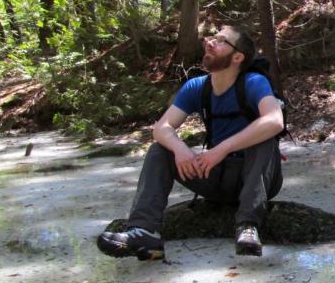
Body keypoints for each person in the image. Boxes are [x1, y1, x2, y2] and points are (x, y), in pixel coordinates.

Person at [97, 24, 284, 260]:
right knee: (160, 150)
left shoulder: (253, 82)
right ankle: (145, 232)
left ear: (238, 57)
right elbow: (161, 128)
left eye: (221, 41)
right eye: (212, 38)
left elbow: (275, 121)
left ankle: (248, 226)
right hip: (215, 176)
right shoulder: (196, 87)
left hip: (257, 176)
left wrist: (222, 148)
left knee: (265, 140)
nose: (210, 43)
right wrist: (180, 149)